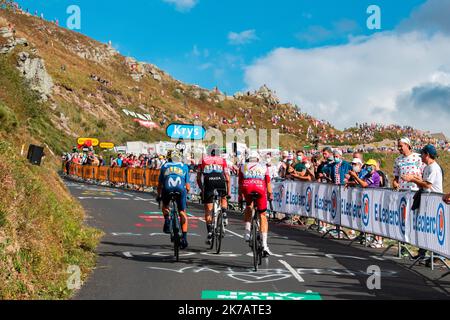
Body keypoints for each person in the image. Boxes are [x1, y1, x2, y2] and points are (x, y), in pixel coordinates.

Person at [239, 151, 274, 257]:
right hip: (260, 188)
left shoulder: (242, 166)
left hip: (247, 187)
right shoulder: (264, 167)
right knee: (262, 215)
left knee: (248, 206)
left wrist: (240, 197)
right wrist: (270, 194)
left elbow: (240, 183)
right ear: (258, 159)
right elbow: (268, 182)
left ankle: (247, 232)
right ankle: (264, 245)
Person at [197, 144, 231, 245]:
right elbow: (228, 178)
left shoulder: (202, 160)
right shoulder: (222, 160)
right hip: (220, 180)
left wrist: (202, 189)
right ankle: (224, 213)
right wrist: (228, 193)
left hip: (208, 182)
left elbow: (198, 178)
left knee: (208, 209)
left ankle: (210, 232)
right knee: (223, 197)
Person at [157, 150, 190, 250]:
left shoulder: (165, 166)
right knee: (182, 212)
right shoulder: (184, 166)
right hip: (180, 189)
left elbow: (159, 185)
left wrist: (159, 195)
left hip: (167, 188)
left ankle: (167, 220)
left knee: (165, 205)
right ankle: (184, 238)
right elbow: (188, 186)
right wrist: (186, 195)